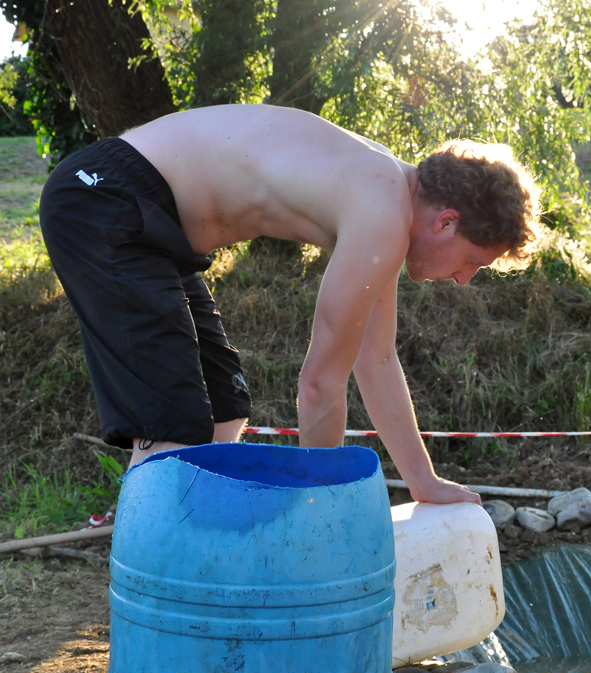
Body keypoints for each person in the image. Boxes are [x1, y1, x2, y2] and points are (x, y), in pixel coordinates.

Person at [40, 104, 542, 505]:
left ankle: (205, 554)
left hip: (149, 218)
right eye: (473, 261)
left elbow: (377, 359)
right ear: (446, 222)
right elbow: (320, 384)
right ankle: (153, 589)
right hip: (107, 194)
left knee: (223, 411)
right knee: (171, 429)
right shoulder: (383, 212)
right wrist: (318, 508)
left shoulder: (388, 199)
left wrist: (423, 483)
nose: (463, 280)